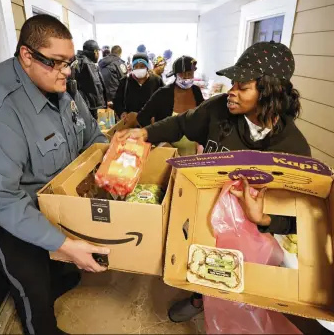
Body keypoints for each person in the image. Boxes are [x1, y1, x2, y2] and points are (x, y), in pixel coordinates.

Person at [117, 41, 309, 322]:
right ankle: (198, 298)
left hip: (249, 232)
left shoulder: (293, 148)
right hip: (204, 209)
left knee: (233, 282)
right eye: (233, 83)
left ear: (270, 93)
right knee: (201, 260)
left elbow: (299, 217)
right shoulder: (220, 110)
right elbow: (182, 123)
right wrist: (144, 134)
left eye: (242, 87)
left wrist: (265, 218)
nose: (231, 92)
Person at [0, 14, 110, 335]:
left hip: (44, 198)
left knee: (64, 271)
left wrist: (111, 161)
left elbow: (91, 135)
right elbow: (2, 201)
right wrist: (66, 245)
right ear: (27, 56)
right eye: (58, 63)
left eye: (70, 61)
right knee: (32, 286)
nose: (68, 71)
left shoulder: (61, 86)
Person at [137, 55, 204, 156]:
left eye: (190, 74)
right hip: (167, 154)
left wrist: (201, 144)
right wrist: (159, 141)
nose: (186, 77)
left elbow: (203, 117)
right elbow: (142, 117)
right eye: (183, 74)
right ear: (176, 75)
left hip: (192, 154)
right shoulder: (163, 94)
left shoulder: (196, 92)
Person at [113, 52, 164, 121]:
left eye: (142, 66)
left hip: (151, 124)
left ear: (147, 67)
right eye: (136, 66)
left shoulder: (156, 81)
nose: (139, 69)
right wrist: (121, 112)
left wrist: (158, 115)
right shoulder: (125, 81)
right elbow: (117, 100)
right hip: (130, 122)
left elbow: (164, 100)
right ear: (132, 67)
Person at [74, 39, 109, 118]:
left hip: (88, 107)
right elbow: (96, 89)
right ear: (94, 52)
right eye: (97, 52)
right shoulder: (86, 64)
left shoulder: (81, 62)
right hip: (92, 109)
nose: (98, 54)